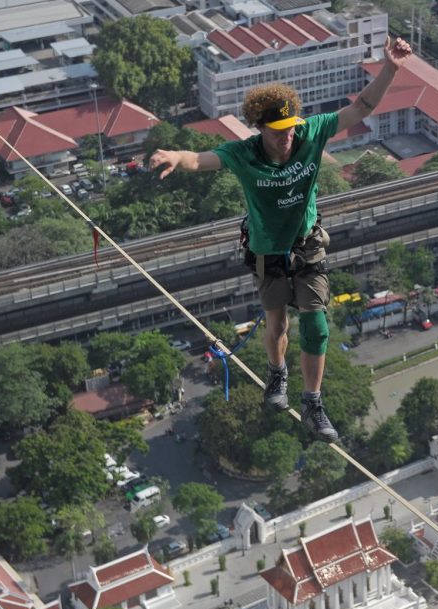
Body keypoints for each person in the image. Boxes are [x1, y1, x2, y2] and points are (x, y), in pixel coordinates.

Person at [149, 37, 413, 442]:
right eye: (278, 132)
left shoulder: (310, 134)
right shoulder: (245, 153)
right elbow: (201, 159)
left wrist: (391, 68)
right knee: (277, 324)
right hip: (266, 249)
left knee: (317, 325)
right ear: (259, 128)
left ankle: (313, 402)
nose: (287, 137)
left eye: (290, 129)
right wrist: (174, 158)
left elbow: (361, 107)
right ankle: (277, 376)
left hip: (307, 243)